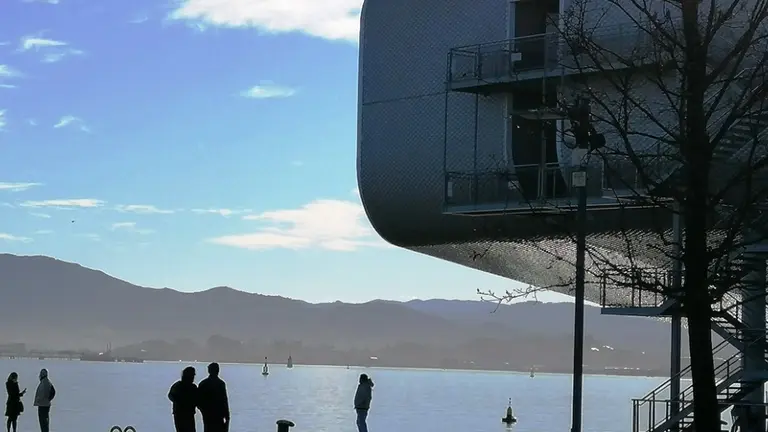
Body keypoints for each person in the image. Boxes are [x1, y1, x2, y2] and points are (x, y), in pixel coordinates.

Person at [197, 363, 230, 432]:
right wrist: (227, 416)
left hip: (207, 415)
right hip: (219, 415)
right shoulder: (221, 384)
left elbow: (198, 401)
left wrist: (203, 411)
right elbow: (224, 400)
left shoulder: (203, 383)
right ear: (218, 371)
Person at [168, 366, 198, 432]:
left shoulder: (177, 385)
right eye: (193, 375)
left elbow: (170, 396)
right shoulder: (193, 387)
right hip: (187, 414)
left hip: (179, 414)